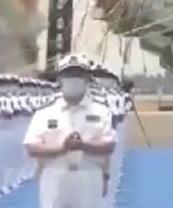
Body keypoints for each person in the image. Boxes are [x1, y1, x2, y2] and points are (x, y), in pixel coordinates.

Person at [22, 54, 116, 208]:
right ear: (60, 79)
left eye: (78, 74)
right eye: (69, 74)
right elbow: (31, 147)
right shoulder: (45, 113)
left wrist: (84, 146)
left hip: (89, 174)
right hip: (54, 174)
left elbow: (110, 145)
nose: (74, 79)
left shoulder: (101, 111)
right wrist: (61, 149)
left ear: (87, 79)